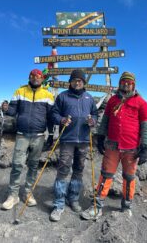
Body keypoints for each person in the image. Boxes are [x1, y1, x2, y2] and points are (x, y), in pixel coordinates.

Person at [81, 71, 147, 220]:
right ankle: (97, 206)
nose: (126, 84)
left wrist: (145, 147)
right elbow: (105, 121)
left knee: (129, 177)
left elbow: (146, 126)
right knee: (105, 175)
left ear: (133, 85)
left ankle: (126, 207)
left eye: (129, 82)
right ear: (120, 83)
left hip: (131, 149)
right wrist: (100, 137)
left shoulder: (142, 103)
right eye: (123, 82)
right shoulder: (113, 101)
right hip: (112, 146)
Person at [1, 69, 54, 210]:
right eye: (32, 76)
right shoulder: (20, 91)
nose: (35, 78)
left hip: (39, 136)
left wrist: (52, 135)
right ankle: (13, 195)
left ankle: (28, 193)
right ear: (29, 77)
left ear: (42, 78)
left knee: (33, 165)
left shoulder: (48, 95)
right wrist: (6, 108)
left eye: (38, 76)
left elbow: (50, 117)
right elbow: (12, 111)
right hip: (22, 134)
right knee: (17, 164)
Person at [49, 69, 98, 222]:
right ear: (70, 81)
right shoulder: (63, 96)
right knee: (63, 170)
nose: (77, 82)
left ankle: (73, 199)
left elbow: (95, 114)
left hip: (83, 140)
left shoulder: (89, 98)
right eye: (75, 80)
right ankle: (58, 204)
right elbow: (53, 114)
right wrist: (61, 120)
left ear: (84, 82)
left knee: (78, 170)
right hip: (67, 140)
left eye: (80, 80)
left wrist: (93, 121)